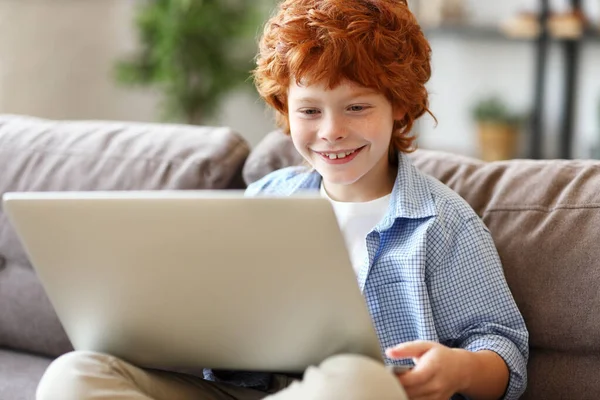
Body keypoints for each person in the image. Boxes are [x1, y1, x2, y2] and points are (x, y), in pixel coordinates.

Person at [36, 1, 528, 399]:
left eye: (356, 107)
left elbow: (503, 348)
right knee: (75, 375)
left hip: (360, 393)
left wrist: (461, 369)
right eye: (309, 110)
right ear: (284, 110)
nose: (331, 131)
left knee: (356, 381)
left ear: (399, 105)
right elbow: (217, 310)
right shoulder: (265, 200)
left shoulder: (443, 222)